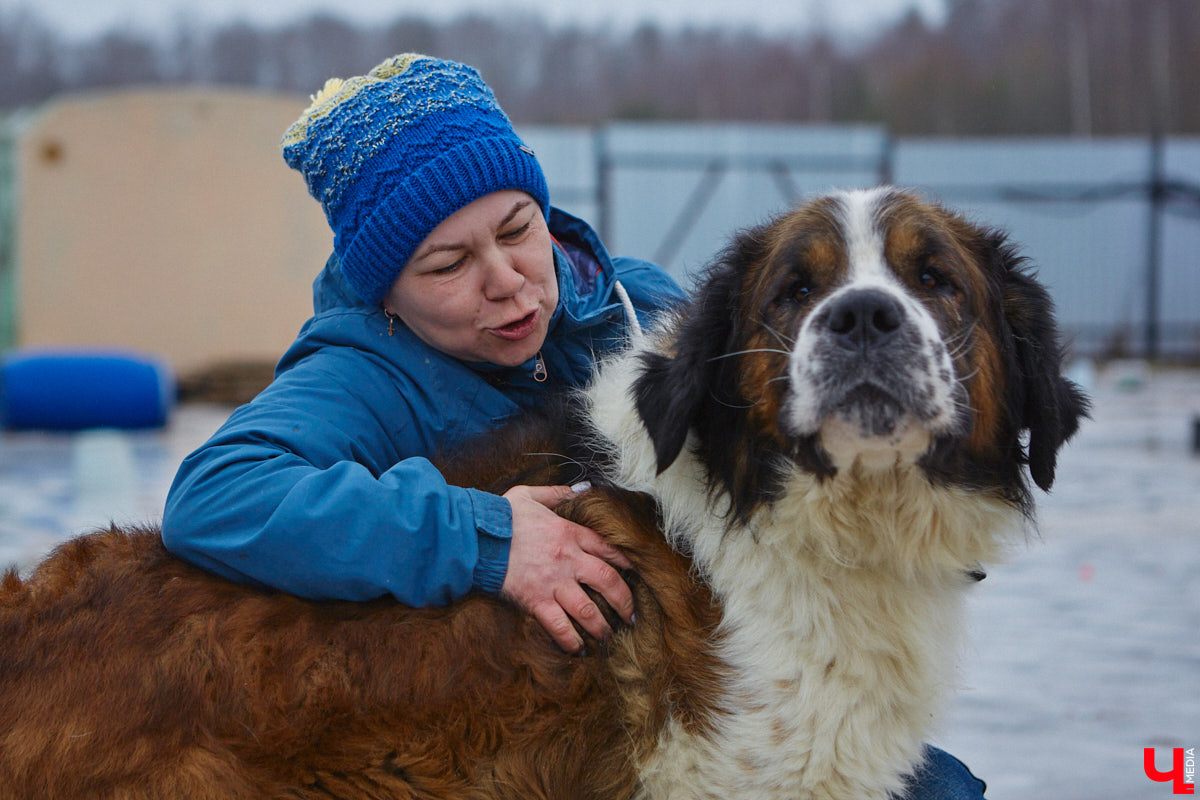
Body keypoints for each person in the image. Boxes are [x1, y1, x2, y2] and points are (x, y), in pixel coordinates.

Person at [162, 53, 986, 799]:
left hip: (738, 665)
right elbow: (216, 494)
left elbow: (777, 437)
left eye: (519, 230)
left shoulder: (639, 303)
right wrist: (484, 539)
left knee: (945, 788)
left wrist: (913, 526)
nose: (506, 280)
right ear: (386, 294)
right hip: (502, 727)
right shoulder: (361, 373)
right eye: (448, 265)